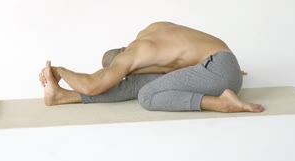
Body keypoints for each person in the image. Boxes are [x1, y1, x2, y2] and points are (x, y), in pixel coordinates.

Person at [38, 21, 264, 113]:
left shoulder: (131, 57)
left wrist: (61, 71)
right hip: (222, 66)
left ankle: (221, 103)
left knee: (147, 95)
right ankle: (61, 97)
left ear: (123, 58)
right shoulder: (152, 30)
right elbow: (189, 54)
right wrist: (226, 71)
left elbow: (93, 85)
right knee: (138, 84)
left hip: (218, 73)